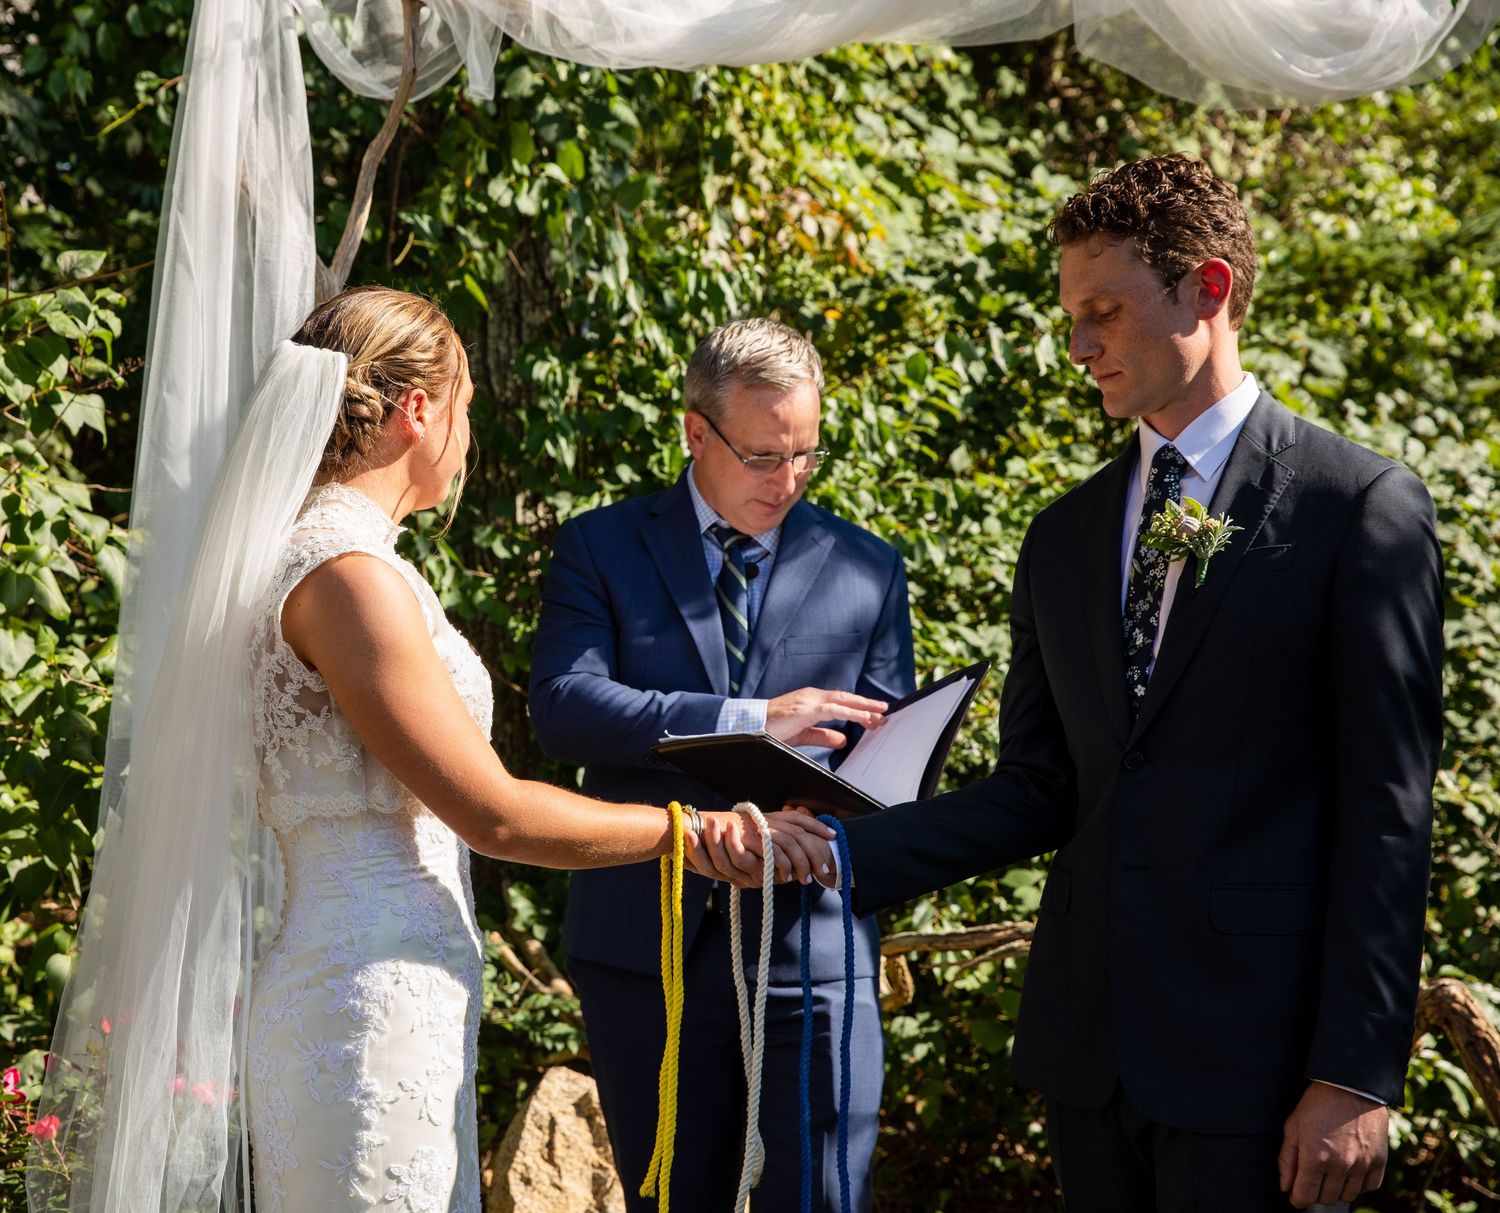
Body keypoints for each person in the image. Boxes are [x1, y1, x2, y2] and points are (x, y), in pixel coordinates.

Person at [30, 286, 830, 1213]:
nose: (463, 437)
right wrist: (690, 832)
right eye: (464, 410)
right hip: (364, 1012)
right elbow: (491, 811)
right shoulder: (346, 577)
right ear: (418, 411)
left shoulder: (341, 559)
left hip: (386, 992)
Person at [829, 155, 1444, 1211]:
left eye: (1104, 312)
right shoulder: (1062, 536)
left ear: (1207, 290)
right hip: (1086, 1048)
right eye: (1072, 315)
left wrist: (1351, 1072)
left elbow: (1387, 809)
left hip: (1262, 1060)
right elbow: (1040, 784)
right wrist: (835, 848)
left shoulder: (1362, 507)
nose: (1078, 346)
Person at [529, 317, 915, 1212]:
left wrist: (847, 812)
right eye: (763, 457)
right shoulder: (602, 546)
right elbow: (565, 707)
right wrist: (754, 720)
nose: (788, 482)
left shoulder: (868, 566)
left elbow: (881, 758)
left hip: (813, 937)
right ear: (696, 432)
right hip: (650, 934)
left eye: (806, 455)